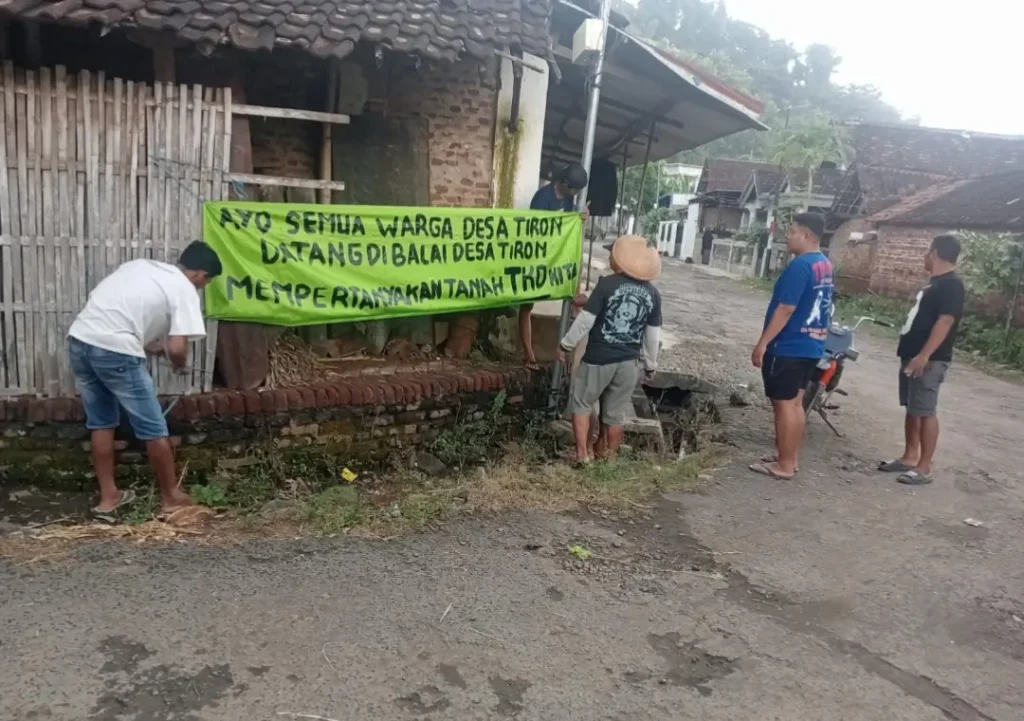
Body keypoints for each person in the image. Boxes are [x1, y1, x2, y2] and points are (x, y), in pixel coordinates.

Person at [67, 241, 223, 514]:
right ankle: (171, 498)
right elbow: (178, 348)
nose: (204, 286)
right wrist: (179, 365)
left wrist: (152, 347)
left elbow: (116, 313)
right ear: (201, 273)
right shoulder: (184, 288)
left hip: (80, 341)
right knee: (154, 427)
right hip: (116, 351)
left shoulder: (140, 267)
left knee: (101, 422)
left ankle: (109, 497)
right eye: (207, 281)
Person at [557, 235, 663, 462]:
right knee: (615, 416)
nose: (609, 258)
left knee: (582, 403)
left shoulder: (607, 284)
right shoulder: (653, 294)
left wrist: (566, 345)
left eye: (612, 255)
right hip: (628, 362)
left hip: (599, 358)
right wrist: (650, 366)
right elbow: (652, 336)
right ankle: (609, 460)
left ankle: (582, 455)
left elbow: (585, 320)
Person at [749, 212, 833, 479]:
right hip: (812, 345)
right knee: (795, 404)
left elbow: (786, 308)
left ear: (806, 235)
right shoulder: (824, 264)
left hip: (789, 345)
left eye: (792, 231)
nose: (787, 236)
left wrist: (763, 343)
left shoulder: (800, 266)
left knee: (784, 404)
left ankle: (784, 465)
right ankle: (790, 457)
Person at [878, 234, 965, 485]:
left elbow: (945, 321)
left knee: (926, 410)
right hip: (913, 355)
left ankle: (924, 466)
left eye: (927, 251)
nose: (925, 256)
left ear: (935, 253)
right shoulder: (935, 284)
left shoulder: (952, 285)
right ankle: (909, 457)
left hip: (929, 359)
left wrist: (925, 354)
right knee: (913, 407)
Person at [519, 163, 590, 370]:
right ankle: (529, 354)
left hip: (557, 256)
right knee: (527, 306)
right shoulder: (542, 197)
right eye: (575, 190)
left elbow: (569, 224)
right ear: (566, 184)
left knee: (571, 286)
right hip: (537, 257)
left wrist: (579, 217)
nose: (576, 194)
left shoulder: (568, 201)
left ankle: (568, 349)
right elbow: (535, 229)